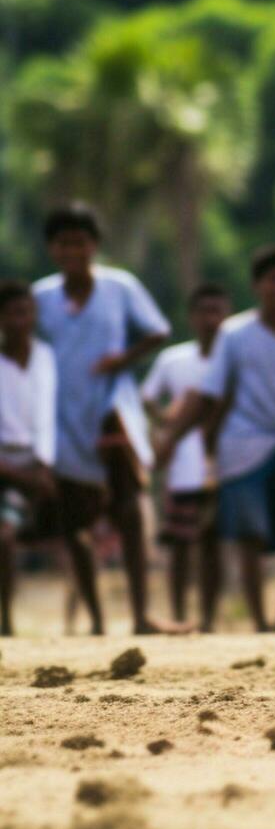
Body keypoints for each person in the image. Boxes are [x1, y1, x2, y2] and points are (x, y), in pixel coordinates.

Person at [157, 244, 275, 633]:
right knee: (250, 535)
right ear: (258, 285)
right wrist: (173, 440)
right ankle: (261, 621)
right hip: (243, 445)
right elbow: (209, 395)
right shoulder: (234, 334)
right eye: (274, 279)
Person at [32, 202, 176, 635]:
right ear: (52, 249)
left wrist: (124, 359)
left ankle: (139, 614)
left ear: (94, 245)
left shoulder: (120, 288)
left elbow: (158, 330)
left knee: (130, 508)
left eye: (80, 241)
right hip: (61, 418)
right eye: (63, 243)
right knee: (73, 521)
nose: (73, 250)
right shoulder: (41, 298)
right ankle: (96, 620)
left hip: (113, 410)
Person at [141, 282, 231, 631]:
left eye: (218, 311)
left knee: (213, 544)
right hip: (183, 466)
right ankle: (179, 615)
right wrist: (165, 424)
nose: (211, 319)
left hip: (223, 463)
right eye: (204, 311)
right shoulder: (174, 359)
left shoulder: (234, 359)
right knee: (179, 543)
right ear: (192, 317)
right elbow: (148, 396)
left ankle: (207, 618)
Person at [0, 281, 58, 636]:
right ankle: (5, 618)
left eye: (27, 311)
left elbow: (46, 416)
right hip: (6, 465)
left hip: (35, 462)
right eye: (13, 313)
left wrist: (44, 464)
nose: (22, 320)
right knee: (4, 537)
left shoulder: (44, 357)